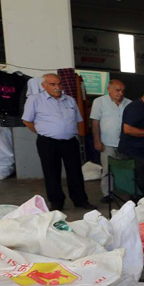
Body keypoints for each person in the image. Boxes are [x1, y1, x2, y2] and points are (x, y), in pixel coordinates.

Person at [22, 73, 93, 211]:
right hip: (48, 142)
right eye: (53, 84)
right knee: (51, 172)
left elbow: (79, 120)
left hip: (70, 142)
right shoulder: (35, 100)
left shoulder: (70, 100)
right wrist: (42, 132)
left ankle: (80, 200)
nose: (57, 87)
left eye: (59, 84)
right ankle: (56, 201)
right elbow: (26, 120)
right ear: (44, 86)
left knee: (75, 172)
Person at [89, 80, 130, 202]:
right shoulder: (99, 102)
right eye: (117, 90)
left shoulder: (129, 103)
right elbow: (95, 122)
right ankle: (107, 193)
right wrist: (97, 141)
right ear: (109, 89)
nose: (120, 93)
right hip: (107, 142)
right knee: (108, 170)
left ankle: (126, 192)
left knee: (125, 169)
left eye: (122, 90)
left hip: (124, 143)